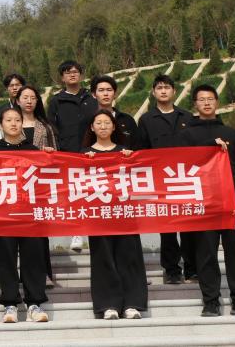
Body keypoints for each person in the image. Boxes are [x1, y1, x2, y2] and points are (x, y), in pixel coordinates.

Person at [180, 85, 235, 318]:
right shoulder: (186, 136)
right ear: (195, 104)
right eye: (202, 99)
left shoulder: (232, 134)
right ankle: (211, 302)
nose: (207, 103)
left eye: (210, 99)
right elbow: (183, 166)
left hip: (232, 207)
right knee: (206, 255)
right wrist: (210, 146)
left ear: (217, 102)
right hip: (204, 207)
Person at [82, 110, 148, 320]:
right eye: (98, 123)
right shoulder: (84, 154)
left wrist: (131, 160)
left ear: (113, 126)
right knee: (103, 258)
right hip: (98, 215)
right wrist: (84, 162)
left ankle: (131, 303)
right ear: (92, 127)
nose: (103, 126)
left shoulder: (125, 152)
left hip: (124, 214)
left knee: (129, 257)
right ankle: (108, 304)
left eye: (107, 122)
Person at [0, 107, 50, 324]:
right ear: (1, 124)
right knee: (5, 259)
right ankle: (10, 304)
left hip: (30, 214)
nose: (13, 124)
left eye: (17, 120)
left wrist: (50, 158)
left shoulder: (33, 151)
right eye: (9, 120)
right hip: (3, 215)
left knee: (33, 258)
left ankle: (34, 303)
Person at [138, 73, 197, 284]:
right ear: (154, 92)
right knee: (167, 229)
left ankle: (192, 269)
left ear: (174, 91)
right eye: (159, 88)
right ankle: (172, 270)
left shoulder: (188, 117)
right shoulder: (146, 120)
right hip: (161, 181)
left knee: (189, 227)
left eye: (167, 87)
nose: (163, 91)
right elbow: (141, 151)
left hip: (185, 179)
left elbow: (198, 147)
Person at [8, 84, 60, 285]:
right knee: (20, 233)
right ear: (17, 100)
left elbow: (56, 156)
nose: (29, 101)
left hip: (39, 186)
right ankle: (24, 275)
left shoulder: (45, 126)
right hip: (16, 187)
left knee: (40, 233)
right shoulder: (12, 124)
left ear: (37, 101)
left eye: (33, 98)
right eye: (25, 97)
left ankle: (44, 273)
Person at [47, 60, 96, 252]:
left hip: (92, 153)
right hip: (68, 154)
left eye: (76, 71)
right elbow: (52, 128)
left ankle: (95, 230)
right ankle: (77, 232)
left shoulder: (91, 98)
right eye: (68, 72)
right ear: (62, 77)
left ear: (81, 75)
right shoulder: (56, 101)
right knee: (74, 194)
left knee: (95, 192)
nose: (72, 74)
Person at [85, 75, 142, 149]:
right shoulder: (87, 120)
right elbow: (83, 148)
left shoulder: (127, 120)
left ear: (115, 94)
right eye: (101, 90)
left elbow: (137, 148)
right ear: (94, 94)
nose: (106, 94)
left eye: (109, 90)